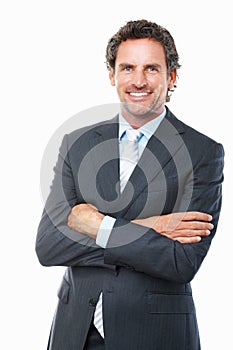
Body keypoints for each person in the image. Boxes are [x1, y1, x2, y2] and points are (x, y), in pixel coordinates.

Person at [36, 19, 224, 350]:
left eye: (152, 69)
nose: (138, 81)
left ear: (172, 77)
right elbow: (49, 246)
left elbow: (181, 261)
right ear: (112, 75)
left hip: (154, 335)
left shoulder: (202, 153)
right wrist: (148, 226)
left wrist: (96, 225)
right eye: (127, 68)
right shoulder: (77, 144)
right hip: (75, 331)